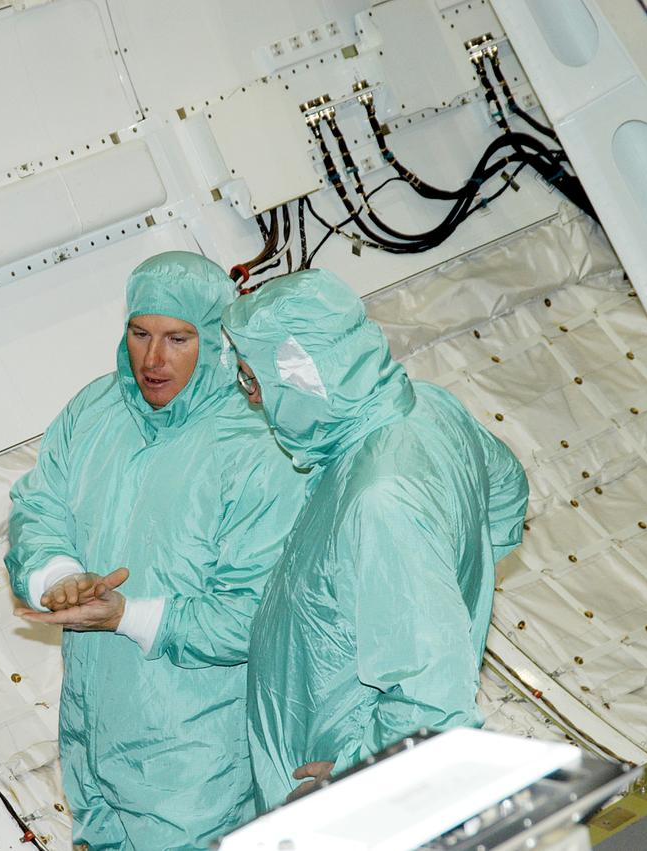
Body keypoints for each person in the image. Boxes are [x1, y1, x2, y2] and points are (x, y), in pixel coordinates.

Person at [6, 251, 306, 849]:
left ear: (218, 341)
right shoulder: (94, 411)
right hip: (93, 740)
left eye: (178, 338)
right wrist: (57, 575)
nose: (153, 359)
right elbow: (39, 507)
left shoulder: (256, 448)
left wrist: (127, 616)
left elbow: (256, 616)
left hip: (195, 763)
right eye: (140, 333)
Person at [223, 269, 528, 812]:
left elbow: (433, 705)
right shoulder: (427, 408)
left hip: (360, 802)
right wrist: (455, 585)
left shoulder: (378, 500)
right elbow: (506, 494)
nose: (250, 399)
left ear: (300, 378)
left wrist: (359, 777)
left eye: (253, 379)